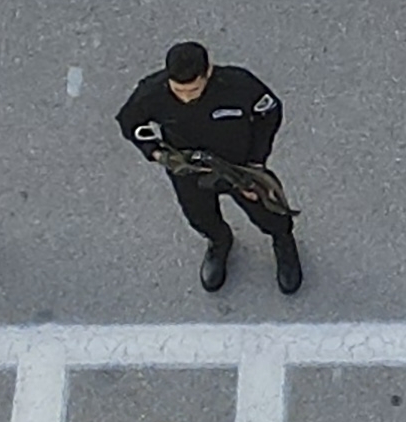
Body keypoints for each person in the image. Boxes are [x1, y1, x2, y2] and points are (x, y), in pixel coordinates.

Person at [117, 41, 302, 287]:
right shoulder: (151, 93)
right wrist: (156, 153)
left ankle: (283, 243)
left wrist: (256, 160)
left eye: (193, 90)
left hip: (239, 167)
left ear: (208, 72)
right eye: (178, 91)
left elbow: (269, 112)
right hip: (191, 171)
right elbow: (130, 122)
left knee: (269, 213)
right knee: (199, 217)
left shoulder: (238, 85)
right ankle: (219, 243)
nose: (186, 98)